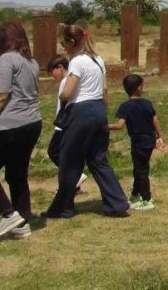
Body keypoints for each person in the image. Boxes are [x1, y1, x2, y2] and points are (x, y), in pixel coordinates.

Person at [42, 25, 129, 218]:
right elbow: (105, 91)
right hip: (98, 110)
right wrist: (102, 114)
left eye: (64, 43)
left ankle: (63, 208)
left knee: (69, 160)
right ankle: (117, 202)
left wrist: (62, 98)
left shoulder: (77, 61)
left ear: (72, 42)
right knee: (98, 160)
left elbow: (68, 91)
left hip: (80, 113)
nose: (63, 47)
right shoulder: (98, 60)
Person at [0, 21, 42, 240]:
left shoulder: (5, 59)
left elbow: (0, 97)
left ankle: (8, 214)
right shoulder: (31, 61)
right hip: (32, 123)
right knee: (16, 174)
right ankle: (23, 219)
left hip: (10, 125)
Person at [109, 74, 164, 211]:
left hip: (139, 142)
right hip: (148, 140)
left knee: (142, 170)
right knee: (138, 169)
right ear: (139, 88)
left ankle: (147, 199)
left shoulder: (125, 106)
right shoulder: (147, 103)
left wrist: (104, 126)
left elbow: (119, 125)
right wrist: (159, 136)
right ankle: (135, 195)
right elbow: (155, 120)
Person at [46, 56, 88, 190]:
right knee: (66, 154)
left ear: (60, 67)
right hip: (66, 123)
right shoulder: (68, 80)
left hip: (63, 124)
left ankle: (76, 175)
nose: (52, 75)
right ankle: (73, 184)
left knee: (53, 151)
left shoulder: (66, 81)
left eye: (52, 71)